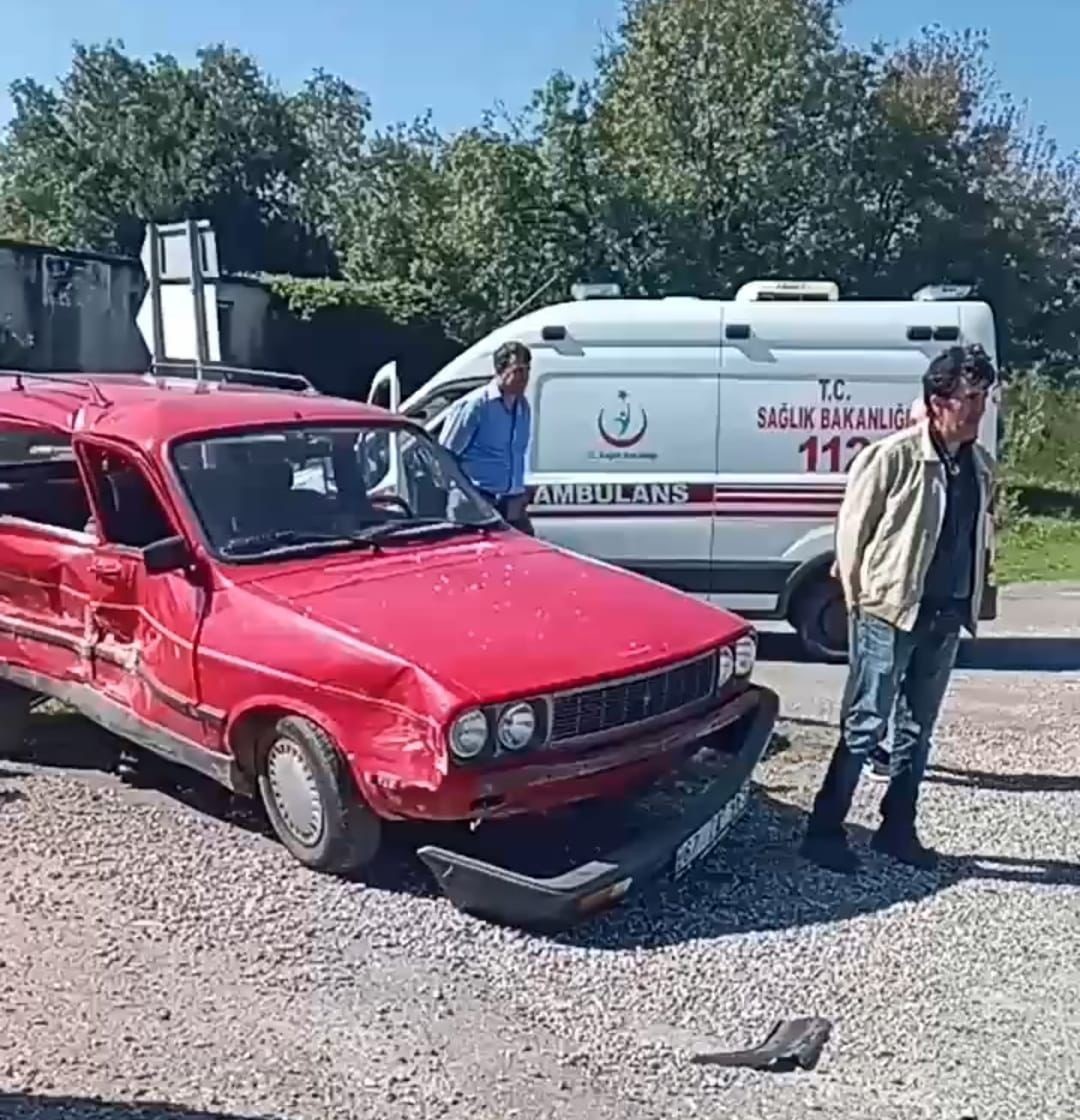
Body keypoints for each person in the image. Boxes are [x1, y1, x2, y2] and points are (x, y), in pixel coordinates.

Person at [802, 344, 997, 873]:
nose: (978, 410)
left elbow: (977, 537)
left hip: (945, 616)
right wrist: (862, 605)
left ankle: (896, 829)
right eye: (970, 399)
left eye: (984, 399)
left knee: (917, 729)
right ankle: (824, 829)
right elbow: (852, 534)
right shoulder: (892, 458)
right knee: (865, 724)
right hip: (890, 613)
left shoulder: (979, 465)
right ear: (938, 402)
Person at [439, 340, 534, 533]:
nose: (524, 377)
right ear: (500, 370)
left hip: (511, 505)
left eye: (527, 370)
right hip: (476, 504)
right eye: (518, 371)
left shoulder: (523, 407)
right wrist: (468, 495)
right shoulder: (476, 405)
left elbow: (518, 453)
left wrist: (521, 491)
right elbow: (445, 454)